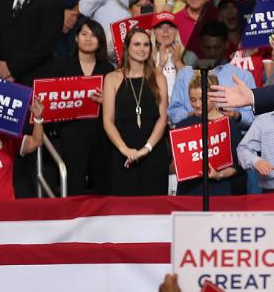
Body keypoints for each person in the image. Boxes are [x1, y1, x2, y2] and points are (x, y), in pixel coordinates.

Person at [48, 18, 113, 196]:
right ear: (76, 38)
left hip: (101, 135)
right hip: (71, 135)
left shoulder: (108, 69)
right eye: (84, 34)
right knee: (73, 187)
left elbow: (118, 105)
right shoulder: (61, 66)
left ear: (100, 41)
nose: (88, 38)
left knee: (103, 186)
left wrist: (105, 101)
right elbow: (51, 100)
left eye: (93, 35)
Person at [102, 28, 169, 196]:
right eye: (137, 44)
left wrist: (146, 149)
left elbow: (162, 119)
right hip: (122, 155)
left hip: (153, 153)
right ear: (127, 48)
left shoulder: (159, 77)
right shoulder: (112, 78)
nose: (142, 49)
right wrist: (125, 150)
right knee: (123, 212)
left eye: (146, 45)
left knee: (155, 212)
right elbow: (108, 120)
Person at [167, 20, 255, 126]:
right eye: (207, 47)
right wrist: (193, 114)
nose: (212, 53)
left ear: (226, 44)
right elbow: (173, 114)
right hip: (193, 136)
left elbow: (254, 118)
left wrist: (236, 115)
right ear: (200, 44)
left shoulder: (243, 77)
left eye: (217, 47)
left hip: (231, 137)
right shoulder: (184, 75)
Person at [173, 71, 243, 197]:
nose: (198, 105)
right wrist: (180, 164)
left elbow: (236, 166)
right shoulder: (183, 126)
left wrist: (218, 175)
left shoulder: (228, 124)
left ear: (213, 96)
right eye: (193, 100)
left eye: (202, 99)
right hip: (189, 192)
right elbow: (174, 166)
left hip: (218, 191)